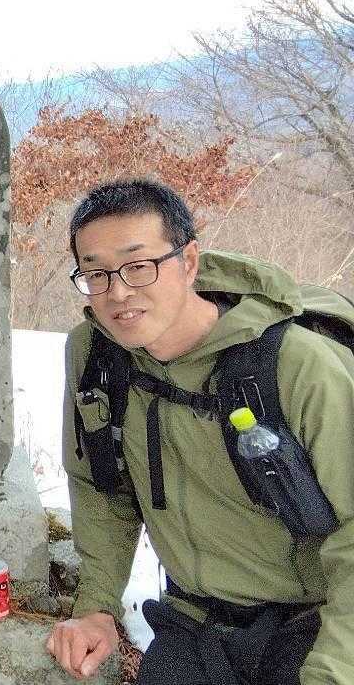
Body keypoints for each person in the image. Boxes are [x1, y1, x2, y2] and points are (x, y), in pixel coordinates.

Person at [46, 179, 354, 684]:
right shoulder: (98, 359)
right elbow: (102, 485)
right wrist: (97, 606)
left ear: (188, 261)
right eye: (96, 273)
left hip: (316, 625)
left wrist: (334, 671)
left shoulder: (298, 365)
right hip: (195, 623)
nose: (118, 292)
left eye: (139, 266)